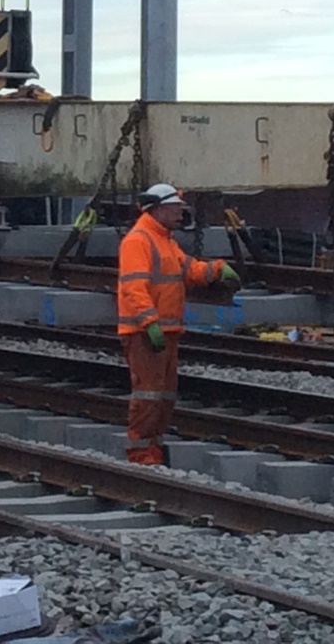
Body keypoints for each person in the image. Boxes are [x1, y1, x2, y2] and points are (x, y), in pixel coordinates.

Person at [117, 182, 240, 465]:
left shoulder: (164, 241)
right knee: (149, 394)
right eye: (174, 209)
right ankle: (139, 454)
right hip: (145, 333)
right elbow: (133, 288)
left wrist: (216, 269)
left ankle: (153, 451)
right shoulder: (139, 240)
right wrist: (149, 323)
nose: (179, 214)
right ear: (157, 209)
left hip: (164, 331)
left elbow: (189, 270)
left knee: (163, 396)